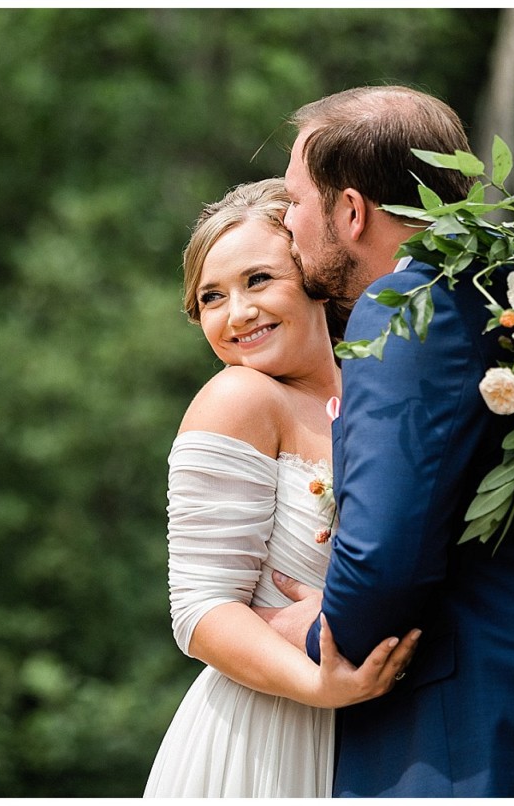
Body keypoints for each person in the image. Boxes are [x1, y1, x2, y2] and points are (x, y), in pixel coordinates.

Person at [264, 85, 514, 797]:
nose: (287, 221)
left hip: (493, 732)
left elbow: (384, 557)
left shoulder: (405, 310)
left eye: (296, 200)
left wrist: (304, 630)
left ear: (351, 210)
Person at [143, 178, 420, 798]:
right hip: (270, 735)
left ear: (314, 280)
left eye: (258, 280)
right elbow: (199, 609)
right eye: (212, 297)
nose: (237, 313)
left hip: (383, 731)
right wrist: (317, 685)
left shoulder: (377, 393)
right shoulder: (239, 398)